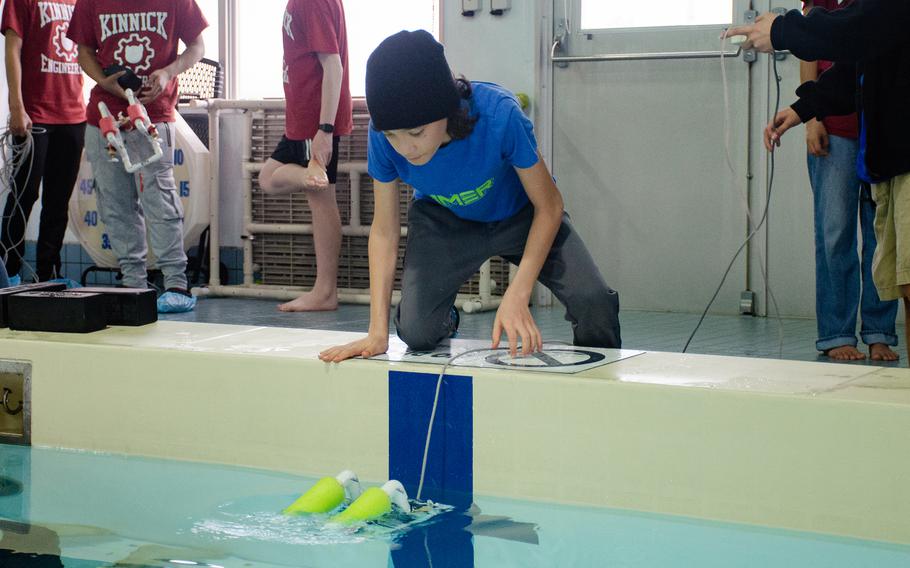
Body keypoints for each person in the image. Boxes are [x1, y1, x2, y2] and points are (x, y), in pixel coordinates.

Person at [319, 30, 620, 363]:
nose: (406, 148)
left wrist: (518, 292)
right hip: (444, 219)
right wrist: (377, 332)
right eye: (393, 135)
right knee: (417, 332)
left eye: (416, 132)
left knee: (595, 302)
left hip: (520, 216)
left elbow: (549, 206)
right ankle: (447, 321)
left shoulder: (500, 116)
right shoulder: (381, 137)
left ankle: (602, 383)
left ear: (446, 108)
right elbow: (385, 230)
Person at [728, 1, 910, 358]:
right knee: (885, 266)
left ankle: (878, 332)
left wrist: (782, 31)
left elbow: (860, 29)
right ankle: (837, 334)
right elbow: (866, 58)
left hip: (900, 153)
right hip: (887, 156)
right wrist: (804, 109)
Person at [68, 0, 207, 313]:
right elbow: (85, 52)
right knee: (114, 202)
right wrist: (104, 81)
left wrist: (168, 72)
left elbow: (197, 45)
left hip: (152, 116)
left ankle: (175, 282)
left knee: (160, 198)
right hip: (104, 117)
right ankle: (133, 282)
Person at [799, 0, 898, 362]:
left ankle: (878, 332)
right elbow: (809, 53)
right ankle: (836, 333)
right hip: (834, 128)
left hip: (880, 127)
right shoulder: (820, 4)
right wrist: (811, 118)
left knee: (881, 234)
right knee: (834, 233)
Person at [258, 0, 352, 313]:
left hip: (314, 121)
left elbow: (333, 65)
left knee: (320, 198)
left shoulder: (310, 2)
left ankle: (325, 291)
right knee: (268, 180)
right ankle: (310, 176)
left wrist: (324, 130)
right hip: (303, 120)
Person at [1, 0, 85, 286]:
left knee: (58, 203)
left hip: (74, 115)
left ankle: (48, 275)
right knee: (23, 196)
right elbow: (13, 49)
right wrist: (16, 107)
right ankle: (8, 274)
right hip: (34, 115)